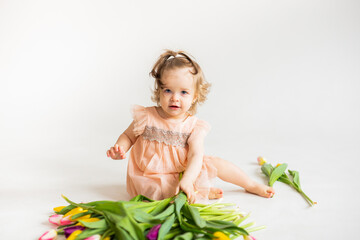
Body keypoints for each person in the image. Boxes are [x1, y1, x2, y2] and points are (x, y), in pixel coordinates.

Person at [106, 50, 274, 203]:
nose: (175, 98)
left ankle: (250, 184)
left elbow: (195, 155)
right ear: (159, 91)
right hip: (150, 177)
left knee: (216, 163)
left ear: (195, 97)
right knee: (163, 189)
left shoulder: (193, 126)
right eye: (168, 91)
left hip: (184, 171)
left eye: (183, 92)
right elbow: (128, 136)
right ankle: (199, 191)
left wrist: (187, 179)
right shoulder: (146, 117)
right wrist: (120, 148)